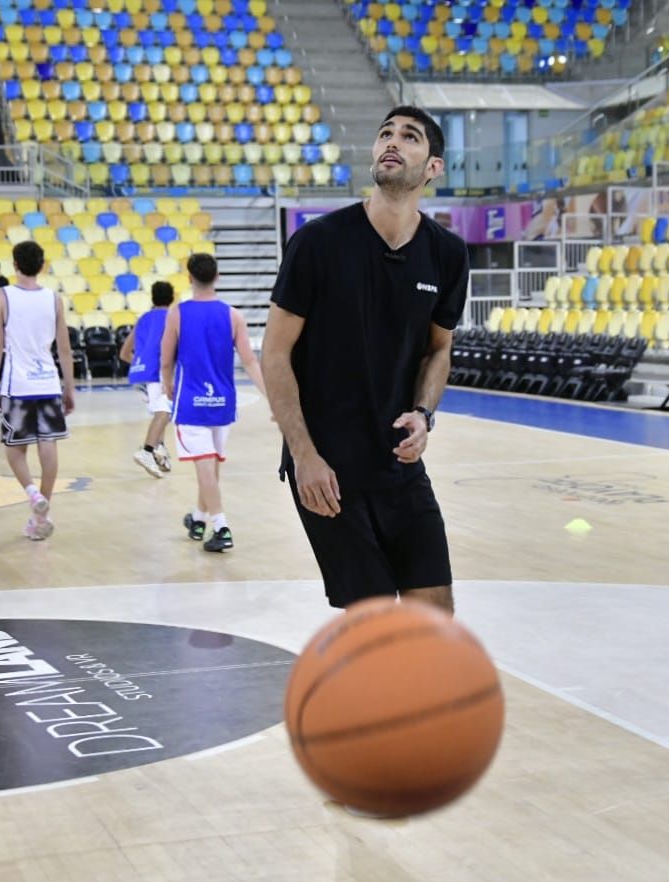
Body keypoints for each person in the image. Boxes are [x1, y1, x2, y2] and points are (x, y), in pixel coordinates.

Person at [261, 106, 469, 613]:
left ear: (433, 167)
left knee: (434, 610)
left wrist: (423, 414)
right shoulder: (317, 242)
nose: (392, 142)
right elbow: (275, 352)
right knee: (373, 619)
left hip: (398, 463)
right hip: (328, 468)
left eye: (409, 136)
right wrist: (304, 455)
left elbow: (439, 349)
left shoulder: (447, 254)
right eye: (385, 134)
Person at [160, 253, 266, 552]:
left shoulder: (177, 314)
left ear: (189, 277)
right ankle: (198, 518)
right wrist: (271, 398)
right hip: (222, 402)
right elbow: (250, 362)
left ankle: (221, 526)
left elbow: (165, 359)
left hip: (192, 401)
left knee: (205, 467)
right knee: (211, 466)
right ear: (217, 277)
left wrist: (167, 385)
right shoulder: (233, 315)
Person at [0, 240, 75, 541]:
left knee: (14, 452)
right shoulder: (54, 299)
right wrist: (69, 387)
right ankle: (42, 515)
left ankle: (33, 493)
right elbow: (64, 348)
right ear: (42, 265)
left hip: (18, 383)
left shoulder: (1, 296)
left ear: (14, 265)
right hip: (48, 381)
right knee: (48, 445)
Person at [119, 280, 174, 477]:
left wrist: (138, 363)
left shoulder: (143, 319)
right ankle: (148, 450)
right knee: (165, 410)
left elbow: (124, 353)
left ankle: (159, 447)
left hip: (139, 373)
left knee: (161, 411)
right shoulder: (171, 317)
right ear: (172, 298)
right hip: (158, 370)